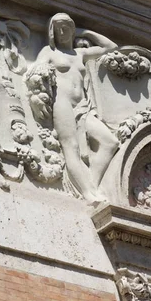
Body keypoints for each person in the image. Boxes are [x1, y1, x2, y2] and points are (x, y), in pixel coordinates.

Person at [30, 13, 119, 202]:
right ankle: (88, 193)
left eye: (66, 27)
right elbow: (35, 75)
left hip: (83, 106)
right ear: (52, 32)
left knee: (110, 142)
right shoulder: (49, 52)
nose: (62, 31)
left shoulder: (80, 54)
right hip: (62, 103)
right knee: (71, 147)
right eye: (58, 28)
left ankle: (91, 185)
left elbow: (110, 47)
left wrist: (83, 31)